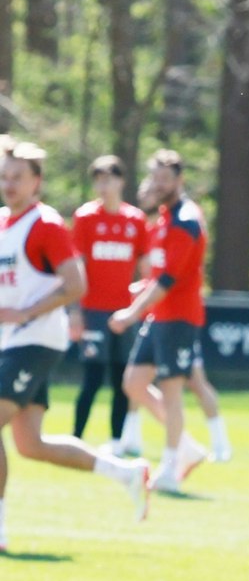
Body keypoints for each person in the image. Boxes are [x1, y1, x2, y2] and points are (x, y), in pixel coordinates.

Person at [0, 143, 150, 551]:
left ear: (37, 181)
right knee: (31, 445)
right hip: (11, 344)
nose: (9, 184)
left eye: (18, 176)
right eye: (4, 176)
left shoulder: (46, 224)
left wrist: (27, 312)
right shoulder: (3, 223)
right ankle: (126, 473)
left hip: (35, 341)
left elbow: (76, 284)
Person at [112, 150, 215, 492]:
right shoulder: (165, 217)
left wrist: (131, 311)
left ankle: (171, 467)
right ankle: (186, 447)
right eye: (155, 177)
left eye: (165, 178)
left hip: (179, 318)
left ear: (179, 180)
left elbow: (169, 280)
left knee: (172, 392)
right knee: (134, 382)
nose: (158, 184)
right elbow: (160, 274)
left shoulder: (185, 219)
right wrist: (142, 291)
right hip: (160, 316)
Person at [69, 156, 149, 445]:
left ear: (121, 181)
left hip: (124, 312)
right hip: (93, 310)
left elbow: (146, 265)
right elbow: (76, 264)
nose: (103, 186)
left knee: (120, 380)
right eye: (98, 180)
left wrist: (141, 302)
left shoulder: (135, 220)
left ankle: (117, 441)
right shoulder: (86, 217)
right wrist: (75, 311)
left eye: (109, 179)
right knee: (91, 378)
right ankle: (76, 438)